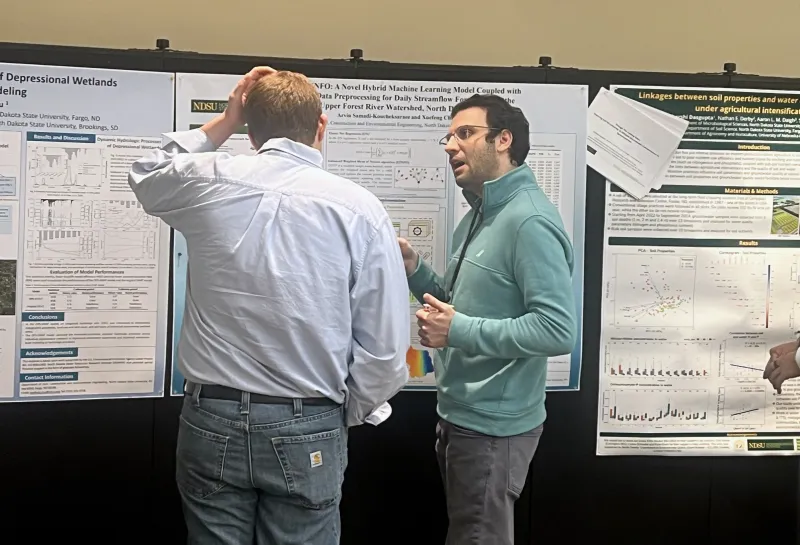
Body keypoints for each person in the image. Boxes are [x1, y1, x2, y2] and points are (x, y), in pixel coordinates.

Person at [128, 67, 410, 545]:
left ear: (250, 130)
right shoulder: (359, 208)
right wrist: (337, 414)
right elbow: (384, 352)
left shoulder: (211, 179)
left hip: (210, 417)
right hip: (311, 418)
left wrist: (223, 120)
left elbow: (146, 173)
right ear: (321, 126)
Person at [399, 94, 578, 544]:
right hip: (460, 418)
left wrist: (457, 330)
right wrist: (413, 268)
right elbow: (457, 303)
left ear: (504, 140)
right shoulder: (479, 213)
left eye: (464, 133)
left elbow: (557, 330)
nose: (450, 146)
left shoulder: (529, 221)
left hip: (493, 430)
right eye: (449, 135)